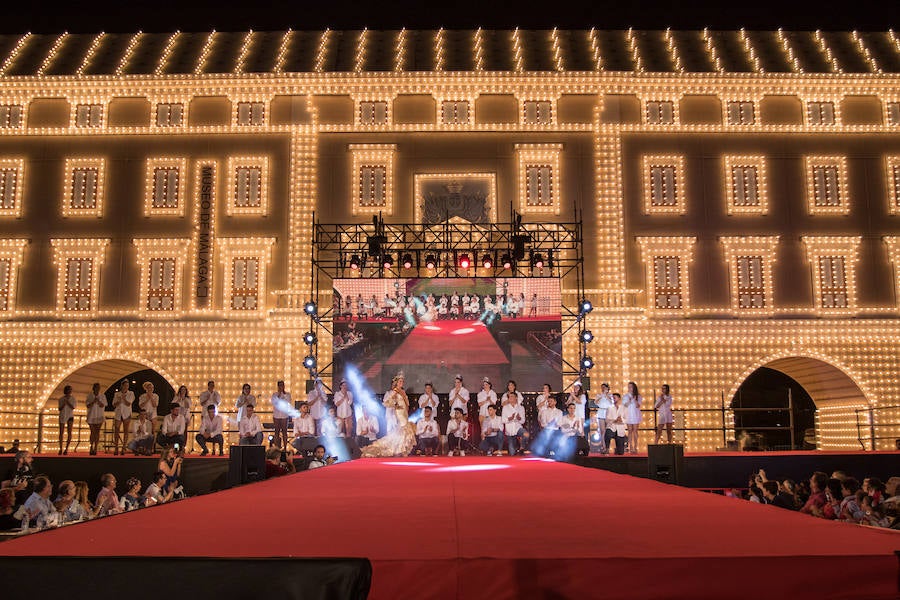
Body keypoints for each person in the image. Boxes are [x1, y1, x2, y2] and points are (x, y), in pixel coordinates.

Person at [361, 372, 417, 457]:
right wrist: (395, 405)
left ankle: (399, 449)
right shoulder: (395, 391)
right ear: (396, 383)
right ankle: (398, 449)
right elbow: (387, 402)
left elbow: (407, 403)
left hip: (404, 412)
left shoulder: (402, 392)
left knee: (402, 430)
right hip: (400, 413)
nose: (401, 383)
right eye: (400, 381)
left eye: (402, 381)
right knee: (404, 428)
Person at [501, 388, 528, 455]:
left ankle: (522, 448)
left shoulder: (521, 407)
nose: (510, 398)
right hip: (510, 431)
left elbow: (523, 421)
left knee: (526, 434)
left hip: (517, 428)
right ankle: (515, 448)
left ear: (516, 398)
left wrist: (519, 418)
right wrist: (510, 418)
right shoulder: (505, 407)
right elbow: (503, 420)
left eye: (512, 396)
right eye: (509, 397)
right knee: (512, 453)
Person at [112, 379, 134, 455]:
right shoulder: (117, 394)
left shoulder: (131, 393)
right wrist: (119, 400)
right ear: (122, 386)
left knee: (126, 430)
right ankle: (116, 447)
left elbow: (128, 403)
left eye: (127, 386)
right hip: (118, 413)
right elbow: (114, 404)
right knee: (116, 430)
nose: (126, 387)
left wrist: (123, 398)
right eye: (125, 385)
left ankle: (124, 447)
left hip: (127, 413)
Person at [83, 382, 107, 456]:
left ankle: (95, 448)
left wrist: (98, 401)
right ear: (93, 388)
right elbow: (88, 405)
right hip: (91, 416)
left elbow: (104, 405)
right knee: (92, 432)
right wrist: (93, 401)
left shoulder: (102, 396)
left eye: (98, 387)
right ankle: (91, 446)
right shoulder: (90, 396)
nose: (97, 389)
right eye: (96, 387)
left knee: (97, 432)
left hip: (99, 415)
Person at [270, 380, 292, 449]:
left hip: (284, 415)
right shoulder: (275, 394)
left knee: (284, 432)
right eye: (280, 385)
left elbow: (288, 402)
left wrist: (283, 395)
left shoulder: (287, 394)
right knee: (276, 432)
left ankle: (285, 447)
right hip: (276, 415)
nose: (281, 387)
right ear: (278, 386)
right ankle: (276, 447)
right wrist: (279, 395)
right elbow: (274, 403)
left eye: (282, 385)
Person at [623, 381, 643, 454]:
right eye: (628, 387)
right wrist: (630, 400)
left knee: (635, 430)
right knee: (630, 431)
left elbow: (638, 405)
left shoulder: (638, 396)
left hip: (635, 414)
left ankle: (635, 447)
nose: (629, 388)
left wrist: (634, 400)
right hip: (629, 414)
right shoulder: (626, 396)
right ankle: (630, 446)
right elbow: (625, 405)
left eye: (631, 387)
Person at [594, 383, 613, 454]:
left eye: (604, 387)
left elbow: (612, 403)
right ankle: (603, 446)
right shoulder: (599, 395)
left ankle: (607, 447)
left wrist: (606, 396)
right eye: (602, 387)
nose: (603, 389)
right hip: (601, 411)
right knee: (602, 430)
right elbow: (596, 402)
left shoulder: (610, 395)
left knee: (608, 431)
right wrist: (602, 396)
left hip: (608, 412)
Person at [57, 384, 76, 455]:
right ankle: (60, 448)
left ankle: (66, 448)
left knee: (69, 432)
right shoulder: (61, 399)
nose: (69, 391)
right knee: (61, 432)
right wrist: (64, 404)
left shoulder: (73, 399)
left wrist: (68, 402)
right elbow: (59, 408)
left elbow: (73, 407)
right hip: (62, 415)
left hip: (70, 416)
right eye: (68, 390)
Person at [173, 386, 192, 450]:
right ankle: (176, 446)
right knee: (176, 432)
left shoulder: (188, 398)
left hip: (185, 418)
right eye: (182, 390)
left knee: (184, 432)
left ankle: (183, 446)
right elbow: (173, 404)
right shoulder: (176, 397)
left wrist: (184, 398)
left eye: (184, 390)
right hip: (177, 417)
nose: (183, 391)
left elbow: (188, 406)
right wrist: (179, 398)